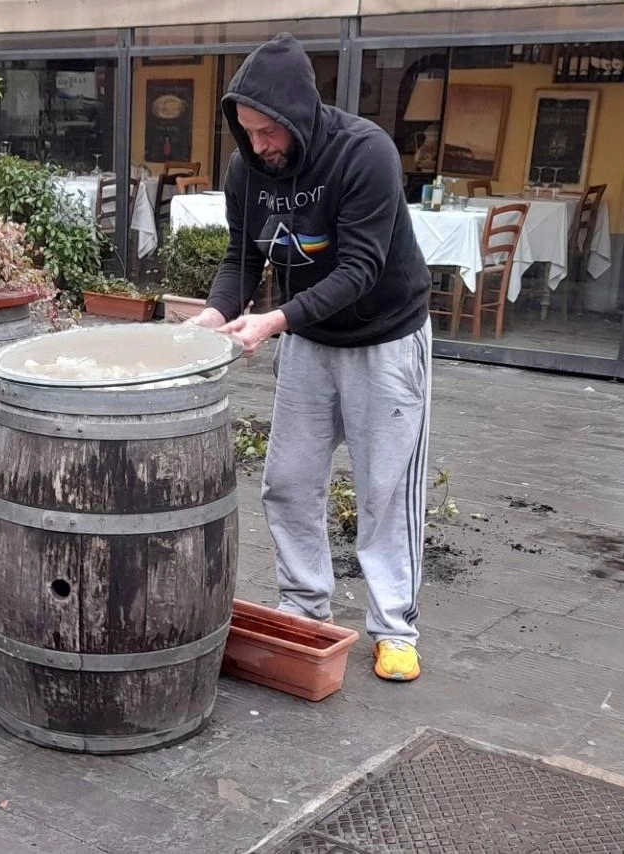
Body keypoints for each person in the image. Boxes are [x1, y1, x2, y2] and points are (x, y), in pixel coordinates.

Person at [187, 33, 433, 682]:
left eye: (270, 130)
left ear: (299, 112)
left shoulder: (365, 153)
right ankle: (304, 608)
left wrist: (272, 320)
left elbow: (360, 268)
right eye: (248, 133)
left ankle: (395, 628)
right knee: (289, 482)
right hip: (307, 341)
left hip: (385, 335)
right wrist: (213, 316)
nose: (261, 145)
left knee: (386, 489)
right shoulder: (248, 170)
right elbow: (243, 259)